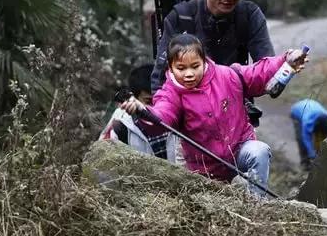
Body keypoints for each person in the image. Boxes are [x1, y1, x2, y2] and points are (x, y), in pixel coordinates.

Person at [124, 34, 308, 196]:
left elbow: (258, 73)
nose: (188, 74)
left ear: (204, 61)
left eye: (195, 66)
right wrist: (142, 112)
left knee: (259, 151)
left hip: (238, 150)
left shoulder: (227, 75)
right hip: (201, 166)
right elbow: (161, 116)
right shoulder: (169, 93)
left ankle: (257, 205)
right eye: (181, 68)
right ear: (171, 68)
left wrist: (285, 60)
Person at [151, 0, 275, 92]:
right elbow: (160, 79)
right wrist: (161, 110)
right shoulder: (180, 17)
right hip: (190, 102)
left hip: (236, 97)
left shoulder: (249, 14)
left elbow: (267, 65)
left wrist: (284, 67)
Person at [100, 64, 169, 159]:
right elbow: (103, 159)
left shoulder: (177, 113)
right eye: (149, 101)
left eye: (160, 99)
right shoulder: (120, 123)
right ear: (134, 97)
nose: (155, 108)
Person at [290, 99, 327, 171]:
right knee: (301, 139)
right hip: (297, 110)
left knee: (321, 138)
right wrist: (312, 155)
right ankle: (305, 163)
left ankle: (320, 157)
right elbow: (306, 138)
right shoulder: (307, 120)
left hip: (312, 107)